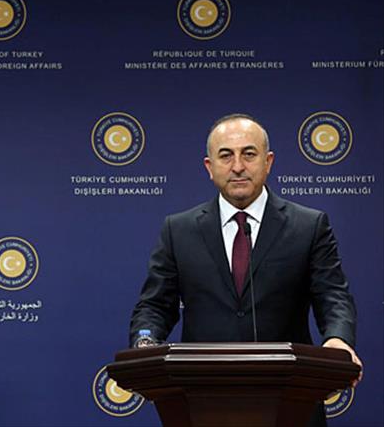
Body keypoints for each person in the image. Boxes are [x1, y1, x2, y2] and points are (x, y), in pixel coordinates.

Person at [129, 114, 362, 427]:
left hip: (291, 400)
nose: (237, 166)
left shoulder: (309, 226)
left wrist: (338, 338)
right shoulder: (178, 230)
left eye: (248, 154)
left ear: (268, 162)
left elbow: (332, 295)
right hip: (202, 400)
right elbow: (155, 305)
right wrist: (145, 342)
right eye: (226, 155)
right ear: (209, 167)